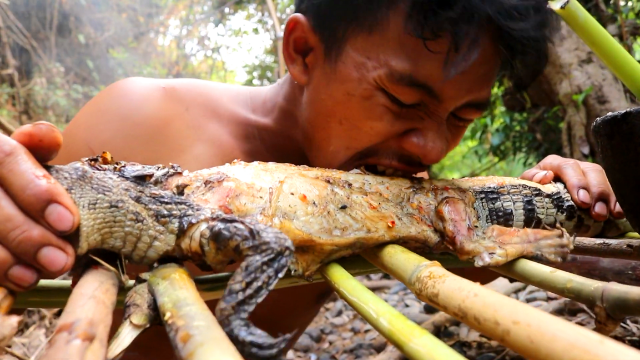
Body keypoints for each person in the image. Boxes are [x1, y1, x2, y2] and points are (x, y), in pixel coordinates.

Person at [0, 0, 625, 358]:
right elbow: (31, 211)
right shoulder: (141, 120)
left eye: (463, 115)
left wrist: (554, 199)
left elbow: (535, 264)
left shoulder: (405, 189)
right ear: (302, 51)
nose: (433, 145)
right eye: (402, 100)